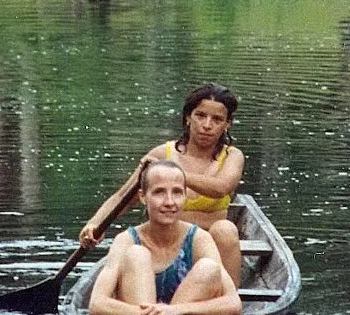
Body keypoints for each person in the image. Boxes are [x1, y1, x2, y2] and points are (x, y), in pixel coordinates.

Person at [80, 84, 246, 279]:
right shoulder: (161, 154)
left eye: (217, 119)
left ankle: (227, 299)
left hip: (212, 248)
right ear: (188, 117)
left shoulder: (232, 156)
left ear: (228, 124)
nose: (207, 125)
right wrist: (94, 224)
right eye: (200, 116)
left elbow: (221, 188)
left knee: (225, 230)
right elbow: (123, 196)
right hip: (165, 241)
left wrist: (169, 172)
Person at [86, 158, 242, 315]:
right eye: (159, 192)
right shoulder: (127, 240)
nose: (169, 202)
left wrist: (177, 310)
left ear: (185, 196)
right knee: (136, 254)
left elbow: (233, 303)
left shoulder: (199, 238)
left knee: (209, 267)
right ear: (143, 197)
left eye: (177, 192)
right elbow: (96, 304)